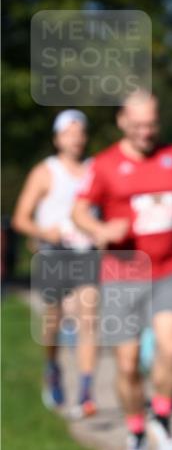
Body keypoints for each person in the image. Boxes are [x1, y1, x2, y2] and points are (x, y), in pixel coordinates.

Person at [72, 91, 172, 450]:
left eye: (152, 124)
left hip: (169, 268)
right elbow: (79, 210)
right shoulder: (104, 164)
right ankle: (135, 432)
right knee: (128, 364)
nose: (146, 132)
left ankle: (161, 421)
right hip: (122, 272)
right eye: (138, 125)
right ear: (121, 122)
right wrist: (100, 228)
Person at [12, 109, 99, 418]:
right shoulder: (45, 172)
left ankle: (86, 390)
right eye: (68, 133)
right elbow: (19, 218)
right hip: (53, 252)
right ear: (57, 138)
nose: (75, 138)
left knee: (88, 318)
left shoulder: (94, 170)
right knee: (55, 319)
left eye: (79, 132)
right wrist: (41, 231)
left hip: (84, 251)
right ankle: (52, 366)